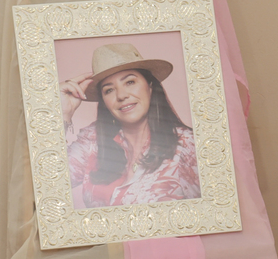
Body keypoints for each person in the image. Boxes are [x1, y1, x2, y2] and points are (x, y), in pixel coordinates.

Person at [61, 42, 200, 206]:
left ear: (150, 87)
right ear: (104, 101)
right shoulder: (92, 140)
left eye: (130, 82)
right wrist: (62, 113)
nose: (121, 95)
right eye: (109, 90)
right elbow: (48, 181)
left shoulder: (187, 146)